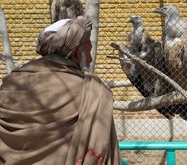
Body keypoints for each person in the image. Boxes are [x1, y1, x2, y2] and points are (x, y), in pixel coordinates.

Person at [0, 16, 121, 165]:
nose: (90, 59)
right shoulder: (91, 91)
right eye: (89, 50)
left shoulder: (10, 85)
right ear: (76, 53)